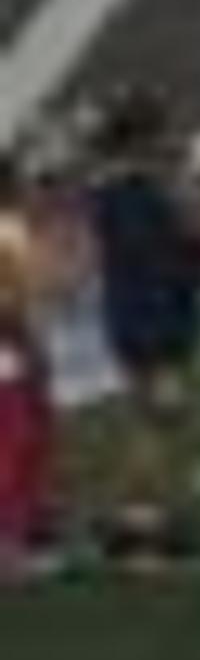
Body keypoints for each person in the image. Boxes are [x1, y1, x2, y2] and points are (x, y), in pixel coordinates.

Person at [84, 89, 200, 564]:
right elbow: (164, 259)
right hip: (153, 322)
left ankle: (132, 518)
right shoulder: (135, 192)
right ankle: (141, 524)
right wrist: (197, 239)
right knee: (160, 421)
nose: (169, 138)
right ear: (141, 136)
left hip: (137, 317)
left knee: (151, 421)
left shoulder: (119, 188)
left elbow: (177, 251)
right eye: (161, 130)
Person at [0, 152, 57, 575]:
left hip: (14, 355)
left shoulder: (15, 232)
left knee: (24, 447)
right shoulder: (9, 233)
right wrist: (33, 349)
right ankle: (10, 545)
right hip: (11, 360)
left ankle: (27, 534)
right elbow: (12, 306)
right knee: (17, 450)